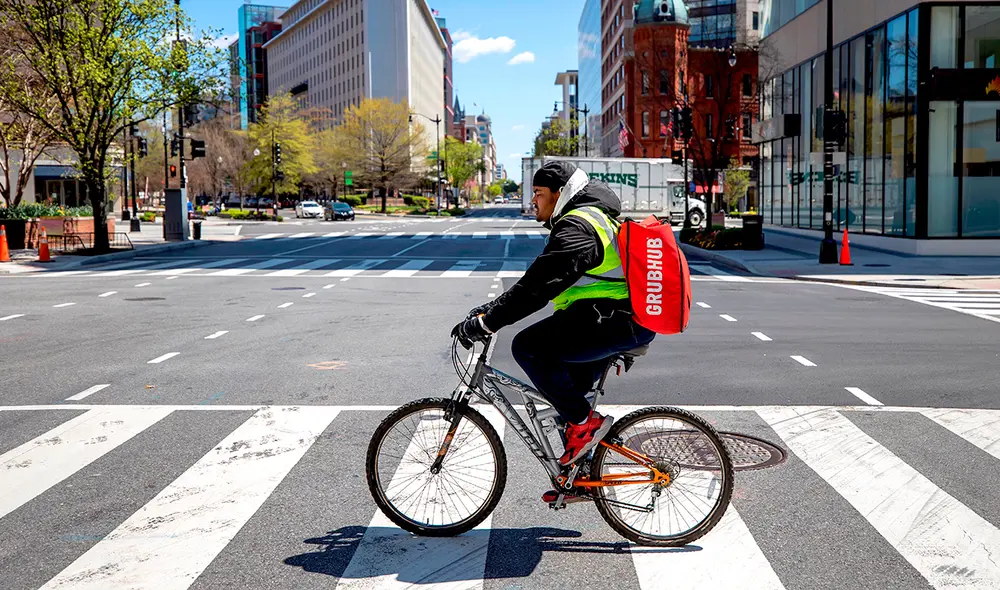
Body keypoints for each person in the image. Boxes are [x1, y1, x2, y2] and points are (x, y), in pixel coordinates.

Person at [451, 161, 655, 491]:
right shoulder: (582, 219)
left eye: (538, 193)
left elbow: (538, 289)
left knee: (528, 348)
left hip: (612, 320)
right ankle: (581, 473)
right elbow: (537, 281)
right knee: (566, 402)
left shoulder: (579, 227)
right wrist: (488, 310)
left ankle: (584, 426)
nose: (534, 201)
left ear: (560, 194)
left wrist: (488, 323)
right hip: (611, 319)